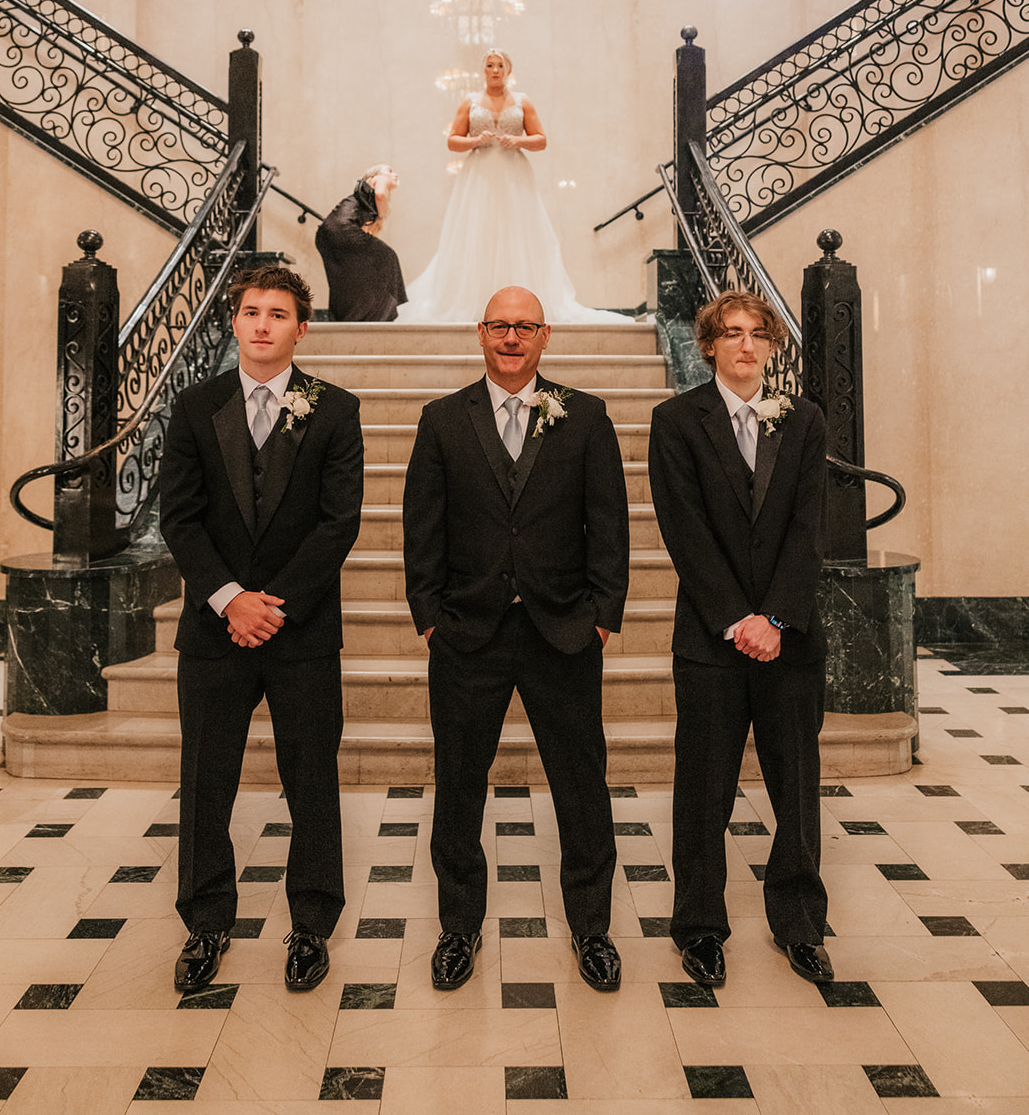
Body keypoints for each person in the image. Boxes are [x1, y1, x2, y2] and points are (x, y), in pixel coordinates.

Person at [403, 284, 630, 993]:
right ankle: (458, 927)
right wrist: (430, 615)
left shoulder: (586, 416)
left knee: (581, 785)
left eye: (523, 326)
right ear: (479, 333)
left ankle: (592, 928)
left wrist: (601, 614)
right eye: (499, 325)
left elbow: (610, 525)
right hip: (466, 631)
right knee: (460, 785)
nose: (510, 337)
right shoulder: (441, 419)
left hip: (562, 628)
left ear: (544, 335)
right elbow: (421, 527)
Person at [159, 266, 363, 995]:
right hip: (214, 631)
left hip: (299, 629)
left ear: (301, 328)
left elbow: (339, 521)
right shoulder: (194, 405)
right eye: (251, 311)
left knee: (311, 778)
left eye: (278, 313)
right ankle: (206, 922)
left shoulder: (334, 409)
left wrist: (271, 603)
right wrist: (226, 599)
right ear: (234, 322)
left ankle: (310, 924)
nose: (263, 324)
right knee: (205, 781)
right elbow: (178, 517)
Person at [647, 290, 831, 990]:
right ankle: (698, 926)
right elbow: (683, 530)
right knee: (703, 789)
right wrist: (736, 619)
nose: (745, 345)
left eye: (758, 334)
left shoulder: (805, 420)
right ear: (708, 345)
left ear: (773, 346)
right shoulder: (675, 421)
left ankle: (799, 924)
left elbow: (808, 530)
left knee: (796, 788)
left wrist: (775, 618)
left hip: (789, 640)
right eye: (731, 333)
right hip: (709, 639)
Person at [399, 51, 632, 324]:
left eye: (500, 66)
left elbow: (541, 140)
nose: (495, 70)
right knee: (478, 231)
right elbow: (452, 141)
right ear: (483, 70)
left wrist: (517, 141)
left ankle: (521, 303)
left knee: (516, 231)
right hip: (479, 175)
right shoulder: (469, 101)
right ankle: (474, 299)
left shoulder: (522, 101)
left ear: (509, 70)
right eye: (490, 65)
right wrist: (476, 141)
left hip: (513, 175)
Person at [315, 164, 406, 322]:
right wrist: (382, 214)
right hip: (343, 229)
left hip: (325, 234)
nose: (395, 174)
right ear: (376, 174)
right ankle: (379, 316)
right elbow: (380, 194)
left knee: (348, 277)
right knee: (388, 257)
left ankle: (352, 316)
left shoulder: (362, 196)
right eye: (390, 171)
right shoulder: (379, 178)